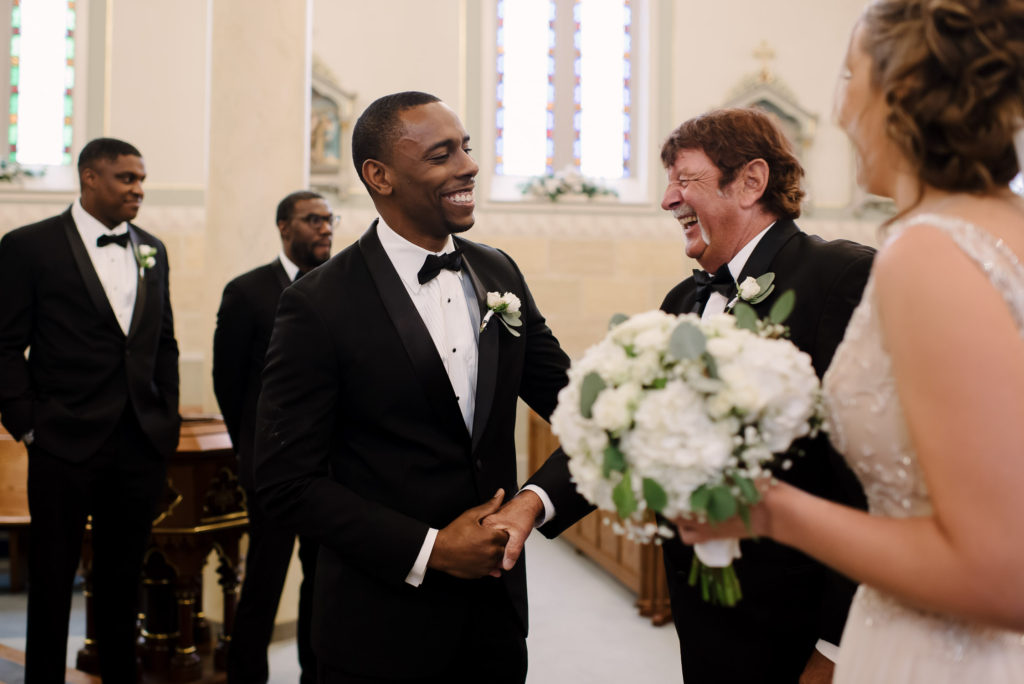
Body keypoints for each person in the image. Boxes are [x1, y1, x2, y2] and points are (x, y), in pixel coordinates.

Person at [677, 1, 1024, 682]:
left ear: (901, 91)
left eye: (847, 76)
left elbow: (1001, 573)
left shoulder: (929, 251)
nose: (838, 112)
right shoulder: (1003, 226)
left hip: (935, 651)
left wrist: (769, 509)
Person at [502, 106, 875, 684]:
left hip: (799, 622)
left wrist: (837, 648)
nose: (666, 199)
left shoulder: (840, 278)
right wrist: (531, 503)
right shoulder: (683, 301)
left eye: (684, 178)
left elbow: (868, 480)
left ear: (750, 181)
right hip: (704, 622)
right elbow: (622, 432)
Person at [252, 91, 572, 683]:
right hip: (378, 625)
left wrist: (532, 503)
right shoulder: (317, 303)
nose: (469, 166)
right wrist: (432, 549)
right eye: (441, 154)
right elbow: (285, 482)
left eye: (466, 148)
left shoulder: (498, 271)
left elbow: (585, 417)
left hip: (495, 619)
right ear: (380, 176)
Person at [0, 137, 179, 681]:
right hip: (62, 441)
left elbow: (163, 343)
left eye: (141, 179)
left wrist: (165, 423)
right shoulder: (29, 246)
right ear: (89, 178)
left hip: (139, 443)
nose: (138, 189)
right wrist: (28, 425)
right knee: (52, 580)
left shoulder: (153, 249)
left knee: (123, 579)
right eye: (127, 178)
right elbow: (4, 345)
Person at [213, 190, 335, 683]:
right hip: (271, 469)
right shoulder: (247, 292)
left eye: (329, 219)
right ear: (285, 227)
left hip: (330, 468)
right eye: (313, 220)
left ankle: (315, 673)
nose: (325, 228)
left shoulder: (339, 287)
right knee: (264, 579)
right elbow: (228, 383)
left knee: (322, 582)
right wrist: (252, 450)